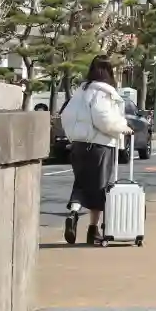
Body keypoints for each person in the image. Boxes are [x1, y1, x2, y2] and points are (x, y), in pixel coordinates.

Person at [60, 56, 134, 245]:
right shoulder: (103, 92)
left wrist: (75, 135)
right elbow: (104, 120)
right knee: (100, 188)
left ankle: (73, 213)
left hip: (78, 145)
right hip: (99, 146)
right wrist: (122, 127)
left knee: (81, 184)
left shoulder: (81, 91)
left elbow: (66, 115)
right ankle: (93, 229)